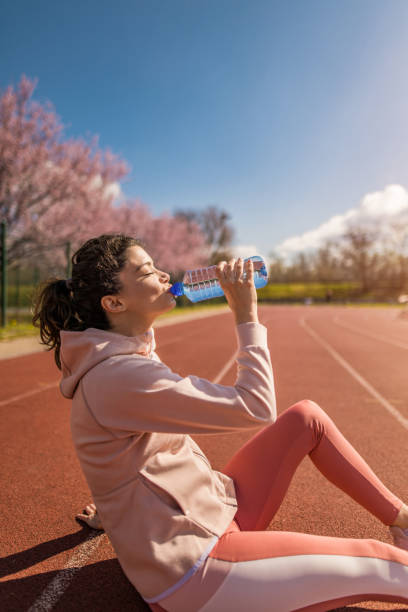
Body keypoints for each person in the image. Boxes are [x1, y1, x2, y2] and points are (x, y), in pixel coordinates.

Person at [32, 234, 408, 611]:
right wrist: (246, 314)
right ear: (114, 302)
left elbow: (114, 446)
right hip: (196, 569)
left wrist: (116, 506)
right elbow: (256, 406)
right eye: (147, 271)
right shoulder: (117, 376)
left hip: (214, 507)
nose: (164, 274)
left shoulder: (123, 349)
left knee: (306, 419)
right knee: (379, 561)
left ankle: (402, 520)